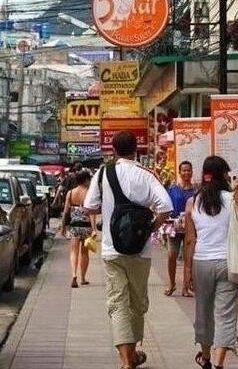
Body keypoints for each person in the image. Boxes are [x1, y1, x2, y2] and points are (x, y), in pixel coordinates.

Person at [84, 131, 173, 369]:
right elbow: (166, 207)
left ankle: (126, 360)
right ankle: (130, 357)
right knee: (137, 304)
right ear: (136, 149)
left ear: (113, 149)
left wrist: (106, 211)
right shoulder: (147, 175)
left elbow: (89, 206)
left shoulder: (103, 173)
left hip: (111, 248)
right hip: (140, 252)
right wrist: (150, 228)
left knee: (117, 303)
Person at [184, 156, 238, 369]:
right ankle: (219, 363)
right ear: (223, 175)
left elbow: (190, 239)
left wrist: (187, 271)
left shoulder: (192, 202)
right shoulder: (233, 200)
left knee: (203, 310)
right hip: (228, 262)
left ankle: (205, 357)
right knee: (226, 314)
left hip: (201, 262)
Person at [164, 160, 196, 297]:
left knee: (189, 257)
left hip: (191, 228)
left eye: (189, 170)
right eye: (184, 170)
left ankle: (186, 287)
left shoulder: (196, 191)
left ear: (192, 172)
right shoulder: (172, 189)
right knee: (172, 254)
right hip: (174, 227)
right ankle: (172, 284)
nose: (186, 173)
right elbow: (166, 205)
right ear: (179, 172)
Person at [60, 170, 97, 288]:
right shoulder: (89, 193)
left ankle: (74, 275)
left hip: (74, 226)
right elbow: (91, 213)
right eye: (89, 179)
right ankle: (83, 278)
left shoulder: (70, 193)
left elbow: (66, 212)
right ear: (85, 180)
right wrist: (94, 228)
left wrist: (63, 227)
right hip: (86, 226)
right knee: (84, 253)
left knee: (73, 251)